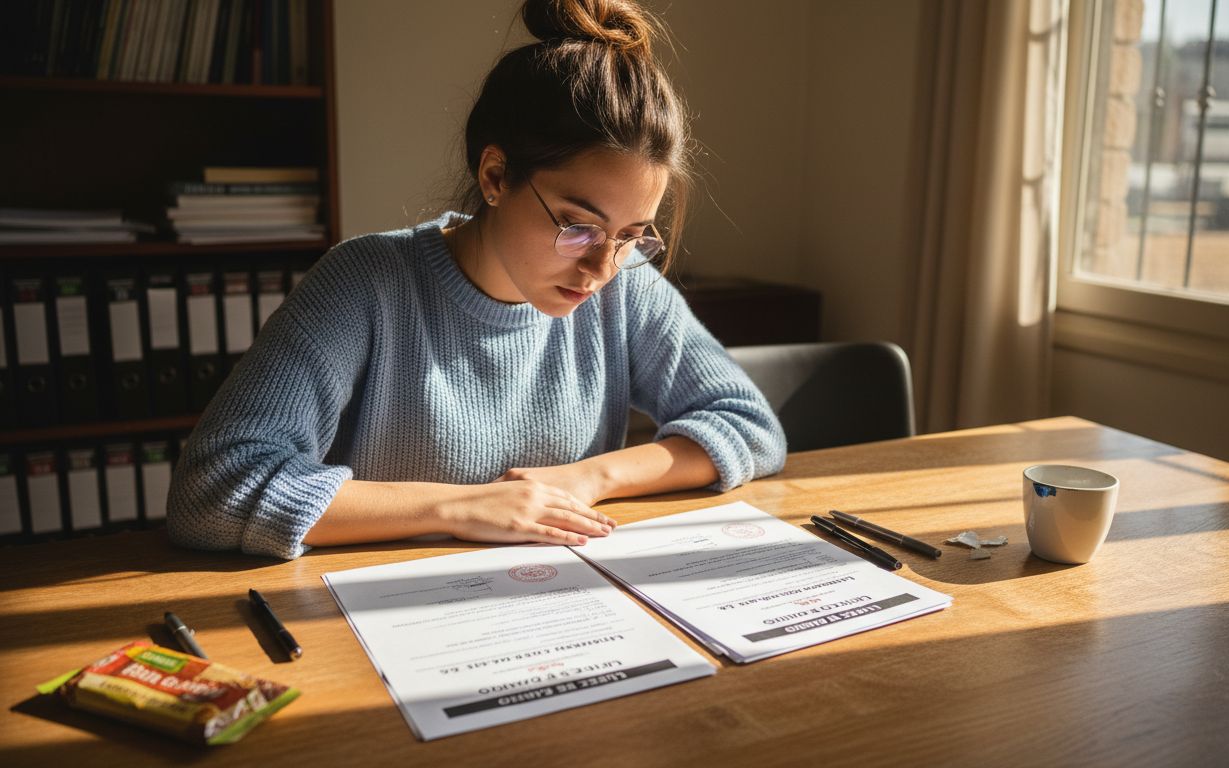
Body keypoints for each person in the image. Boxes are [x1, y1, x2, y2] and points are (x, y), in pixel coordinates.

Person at [166, 0, 786, 560]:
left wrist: (590, 477)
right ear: (494, 176)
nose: (602, 268)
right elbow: (213, 488)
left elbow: (749, 425)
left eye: (631, 234)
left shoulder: (625, 285)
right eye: (578, 225)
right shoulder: (365, 285)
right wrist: (461, 508)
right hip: (385, 618)